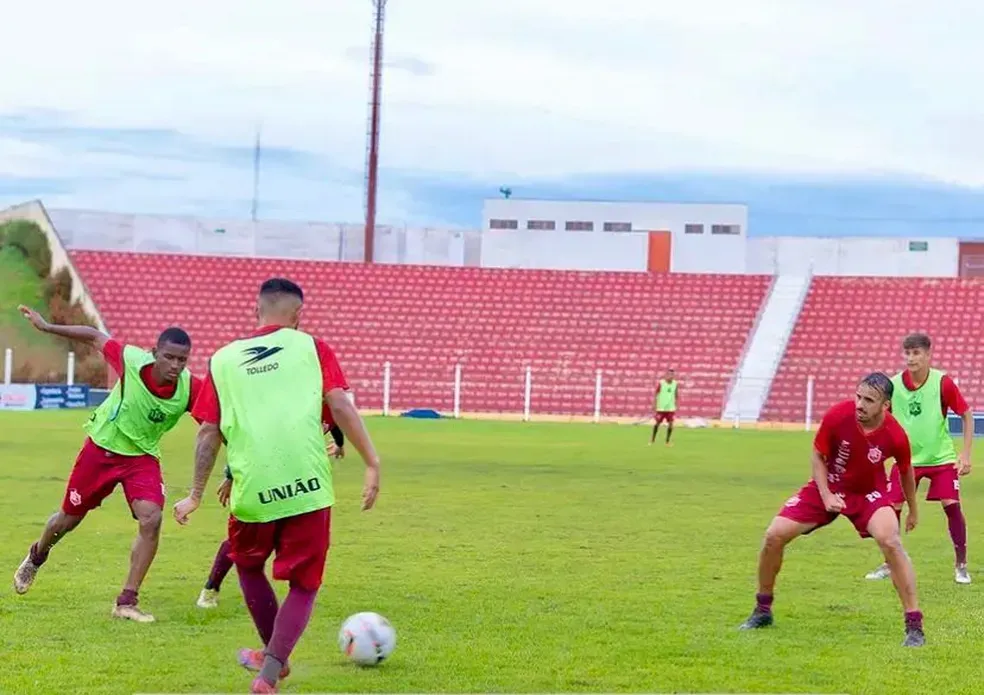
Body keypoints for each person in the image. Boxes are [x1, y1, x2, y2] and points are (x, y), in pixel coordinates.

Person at [172, 278, 381, 695]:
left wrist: (195, 494)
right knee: (305, 584)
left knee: (248, 565)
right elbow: (340, 404)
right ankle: (270, 671)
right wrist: (372, 462)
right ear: (299, 315)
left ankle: (272, 665)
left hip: (253, 487)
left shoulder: (223, 360)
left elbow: (208, 432)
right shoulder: (312, 348)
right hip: (308, 485)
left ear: (257, 310)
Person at [12, 305, 201, 622]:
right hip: (101, 450)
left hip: (141, 457)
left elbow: (214, 426)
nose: (175, 365)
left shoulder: (190, 388)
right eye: (169, 357)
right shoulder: (131, 360)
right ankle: (37, 556)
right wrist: (46, 327)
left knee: (151, 519)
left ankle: (126, 601)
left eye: (182, 360)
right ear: (155, 353)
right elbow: (94, 336)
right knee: (66, 521)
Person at [739, 373, 925, 647]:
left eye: (869, 400)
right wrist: (826, 494)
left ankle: (914, 626)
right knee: (773, 535)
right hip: (829, 484)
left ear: (885, 405)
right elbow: (818, 455)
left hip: (868, 493)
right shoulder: (838, 415)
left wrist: (913, 509)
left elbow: (906, 471)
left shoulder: (895, 435)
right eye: (858, 396)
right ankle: (762, 610)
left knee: (891, 541)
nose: (859, 404)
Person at [196, 423, 346, 609]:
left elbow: (335, 418)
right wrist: (230, 476)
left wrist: (339, 443)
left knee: (298, 547)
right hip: (261, 479)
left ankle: (296, 598)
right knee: (240, 541)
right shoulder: (283, 412)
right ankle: (211, 587)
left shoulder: (322, 409)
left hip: (299, 484)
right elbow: (248, 441)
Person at [865, 333, 974, 584]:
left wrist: (965, 453)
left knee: (952, 506)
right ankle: (889, 563)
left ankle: (961, 566)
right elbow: (880, 419)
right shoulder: (893, 385)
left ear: (928, 354)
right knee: (891, 509)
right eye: (907, 353)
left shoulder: (942, 382)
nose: (911, 358)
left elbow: (966, 414)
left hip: (941, 458)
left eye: (916, 353)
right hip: (907, 461)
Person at [650, 369, 679, 446]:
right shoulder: (661, 383)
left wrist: (676, 404)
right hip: (661, 408)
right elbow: (656, 393)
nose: (671, 376)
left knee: (671, 424)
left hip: (670, 408)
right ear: (666, 375)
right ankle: (652, 440)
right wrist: (654, 404)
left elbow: (676, 394)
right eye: (669, 374)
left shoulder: (675, 383)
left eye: (672, 375)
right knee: (657, 424)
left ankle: (667, 441)